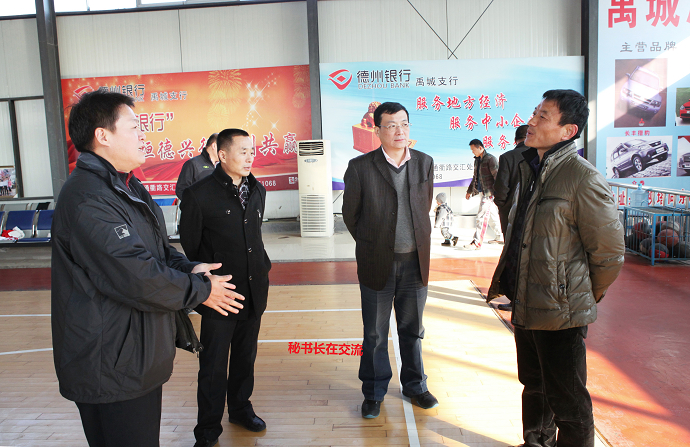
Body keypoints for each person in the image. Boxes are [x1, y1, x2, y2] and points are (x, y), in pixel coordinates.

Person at [51, 91, 244, 447]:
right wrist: (203, 290)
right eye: (134, 127)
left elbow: (157, 252)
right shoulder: (88, 198)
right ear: (103, 135)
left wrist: (191, 268)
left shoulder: (127, 185)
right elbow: (135, 276)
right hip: (109, 364)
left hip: (133, 356)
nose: (143, 135)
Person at [487, 89, 625, 447]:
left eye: (542, 116)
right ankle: (536, 442)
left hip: (560, 310)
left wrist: (575, 295)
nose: (531, 121)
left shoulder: (582, 178)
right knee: (534, 386)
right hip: (526, 300)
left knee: (568, 401)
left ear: (568, 131)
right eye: (534, 113)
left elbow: (609, 253)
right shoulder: (530, 169)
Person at [342, 102, 437, 419]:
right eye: (392, 125)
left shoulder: (424, 162)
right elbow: (351, 215)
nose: (400, 131)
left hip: (415, 263)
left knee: (413, 330)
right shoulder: (360, 167)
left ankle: (415, 386)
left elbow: (424, 206)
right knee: (374, 334)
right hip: (377, 263)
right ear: (377, 130)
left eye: (404, 124)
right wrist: (373, 245)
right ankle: (373, 392)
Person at [179, 128, 271, 447]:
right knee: (213, 366)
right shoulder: (199, 194)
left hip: (253, 289)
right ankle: (207, 429)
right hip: (219, 294)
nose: (250, 157)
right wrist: (207, 282)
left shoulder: (256, 188)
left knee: (245, 358)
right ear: (222, 155)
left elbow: (254, 236)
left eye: (252, 151)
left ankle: (241, 409)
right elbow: (191, 246)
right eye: (243, 151)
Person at [493, 124, 529, 312]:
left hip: (511, 216)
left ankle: (516, 299)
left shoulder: (508, 157)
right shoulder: (541, 155)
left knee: (513, 256)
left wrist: (503, 207)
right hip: (535, 216)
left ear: (515, 140)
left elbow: (501, 189)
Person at [463, 139, 503, 250]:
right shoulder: (477, 160)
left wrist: (498, 193)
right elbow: (475, 177)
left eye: (473, 149)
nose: (472, 152)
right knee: (491, 216)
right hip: (482, 192)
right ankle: (500, 236)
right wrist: (469, 191)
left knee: (481, 216)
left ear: (480, 147)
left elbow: (497, 177)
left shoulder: (490, 159)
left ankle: (477, 242)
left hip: (489, 193)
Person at [176, 133, 219, 200]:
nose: (224, 151)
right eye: (222, 147)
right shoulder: (193, 164)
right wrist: (195, 204)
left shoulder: (222, 166)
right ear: (214, 146)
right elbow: (181, 190)